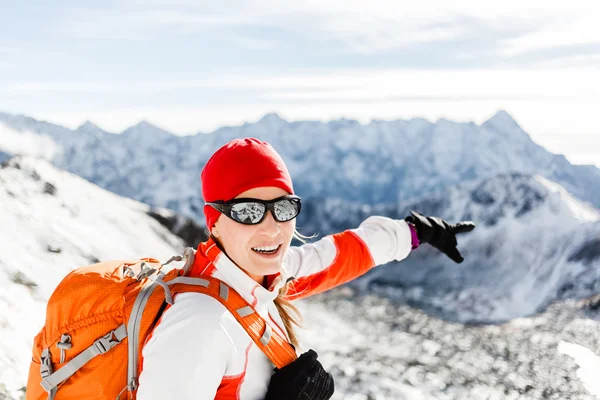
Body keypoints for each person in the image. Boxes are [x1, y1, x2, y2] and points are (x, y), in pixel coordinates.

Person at [136, 138, 475, 400]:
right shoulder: (199, 324)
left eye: (283, 207)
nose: (271, 229)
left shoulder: (259, 278)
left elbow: (336, 257)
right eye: (248, 212)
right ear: (215, 223)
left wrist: (413, 233)